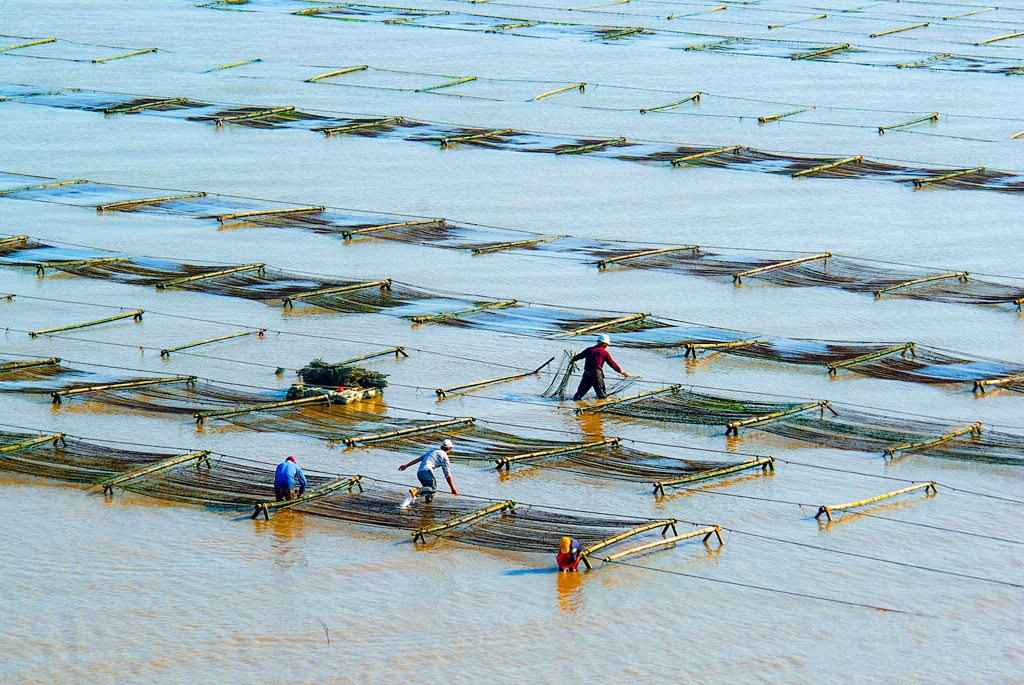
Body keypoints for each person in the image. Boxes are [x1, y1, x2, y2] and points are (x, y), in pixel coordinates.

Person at [399, 438, 459, 504]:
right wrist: (453, 488)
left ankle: (428, 504)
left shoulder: (432, 451)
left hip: (420, 472)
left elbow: (419, 459)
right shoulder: (445, 457)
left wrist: (406, 465)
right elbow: (447, 475)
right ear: (450, 448)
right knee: (433, 489)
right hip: (427, 471)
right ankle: (416, 491)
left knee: (428, 491)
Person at [571, 334, 629, 401]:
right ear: (603, 343)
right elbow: (611, 363)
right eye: (606, 344)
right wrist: (621, 371)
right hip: (596, 374)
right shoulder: (604, 352)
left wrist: (573, 360)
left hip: (587, 374)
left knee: (580, 393)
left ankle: (575, 403)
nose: (607, 346)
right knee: (601, 395)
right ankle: (601, 409)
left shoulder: (589, 350)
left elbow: (580, 356)